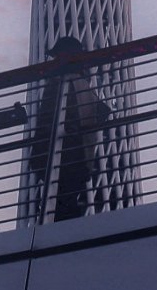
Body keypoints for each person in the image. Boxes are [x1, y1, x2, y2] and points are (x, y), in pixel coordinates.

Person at [27, 34, 112, 220]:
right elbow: (103, 113)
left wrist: (38, 153)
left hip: (61, 156)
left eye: (57, 57)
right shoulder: (85, 87)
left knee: (58, 206)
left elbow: (49, 118)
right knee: (68, 204)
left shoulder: (60, 83)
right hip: (81, 158)